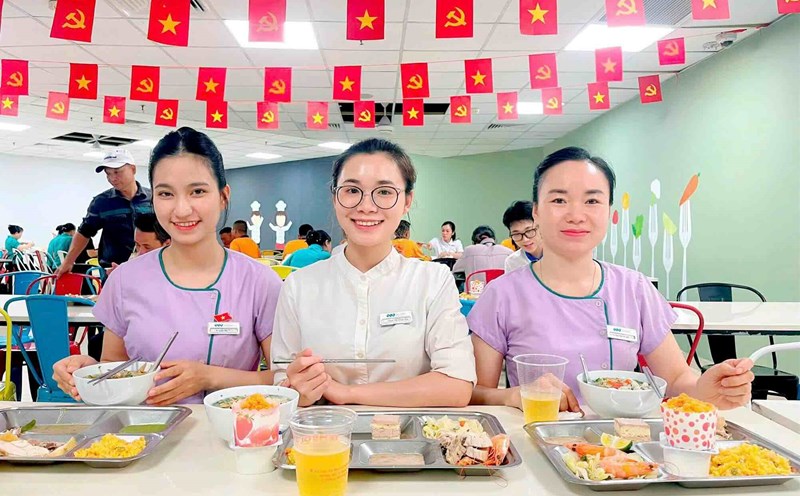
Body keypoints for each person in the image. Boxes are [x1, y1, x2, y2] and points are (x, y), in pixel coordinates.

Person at [467, 146, 754, 412]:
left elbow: (677, 379)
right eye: (559, 200)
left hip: (621, 439)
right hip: (536, 435)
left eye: (592, 200)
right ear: (537, 212)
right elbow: (474, 393)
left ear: (609, 213)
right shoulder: (501, 295)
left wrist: (707, 389)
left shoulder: (634, 288)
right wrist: (513, 395)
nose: (576, 215)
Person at [52, 127, 283, 405]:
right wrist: (88, 371)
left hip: (233, 428)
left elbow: (283, 380)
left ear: (223, 196)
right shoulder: (125, 279)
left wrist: (209, 377)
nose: (181, 209)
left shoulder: (259, 281)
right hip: (143, 429)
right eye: (165, 194)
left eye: (197, 191)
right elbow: (115, 368)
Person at [271, 138, 475, 408]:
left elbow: (456, 385)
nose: (366, 206)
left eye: (385, 192)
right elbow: (282, 379)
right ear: (334, 198)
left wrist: (347, 393)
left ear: (407, 201)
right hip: (322, 432)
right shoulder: (299, 285)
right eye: (352, 190)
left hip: (410, 433)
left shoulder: (433, 281)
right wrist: (298, 392)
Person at [55, 149, 153, 276]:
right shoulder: (102, 202)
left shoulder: (153, 198)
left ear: (133, 169)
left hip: (151, 269)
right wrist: (68, 262)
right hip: (113, 271)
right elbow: (84, 232)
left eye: (117, 172)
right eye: (108, 173)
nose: (112, 178)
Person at [502, 201, 543, 273]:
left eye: (529, 231)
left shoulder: (561, 254)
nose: (525, 239)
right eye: (517, 234)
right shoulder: (512, 262)